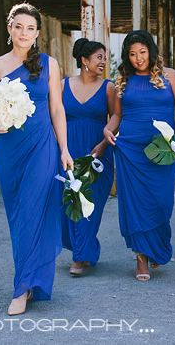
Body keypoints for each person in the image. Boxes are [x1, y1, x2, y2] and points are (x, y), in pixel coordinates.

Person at [0, 2, 73, 316]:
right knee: (19, 217)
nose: (24, 33)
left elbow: (57, 109)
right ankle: (30, 278)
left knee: (36, 211)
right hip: (9, 150)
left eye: (30, 28)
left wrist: (64, 149)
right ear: (9, 29)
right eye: (18, 26)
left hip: (42, 147)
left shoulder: (49, 63)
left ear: (37, 33)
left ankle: (22, 289)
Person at [103, 30, 175, 281]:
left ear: (151, 50)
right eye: (132, 54)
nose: (138, 58)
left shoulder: (170, 75)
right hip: (130, 148)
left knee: (162, 202)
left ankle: (156, 247)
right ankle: (141, 258)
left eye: (142, 52)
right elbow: (118, 115)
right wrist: (108, 129)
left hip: (161, 147)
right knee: (135, 203)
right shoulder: (123, 79)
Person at [61, 38, 115, 276]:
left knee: (89, 204)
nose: (103, 62)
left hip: (97, 152)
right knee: (69, 201)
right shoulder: (63, 85)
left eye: (104, 57)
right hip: (68, 150)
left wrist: (104, 143)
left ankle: (79, 257)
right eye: (99, 57)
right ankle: (84, 248)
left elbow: (116, 118)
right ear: (84, 61)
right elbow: (56, 117)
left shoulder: (109, 87)